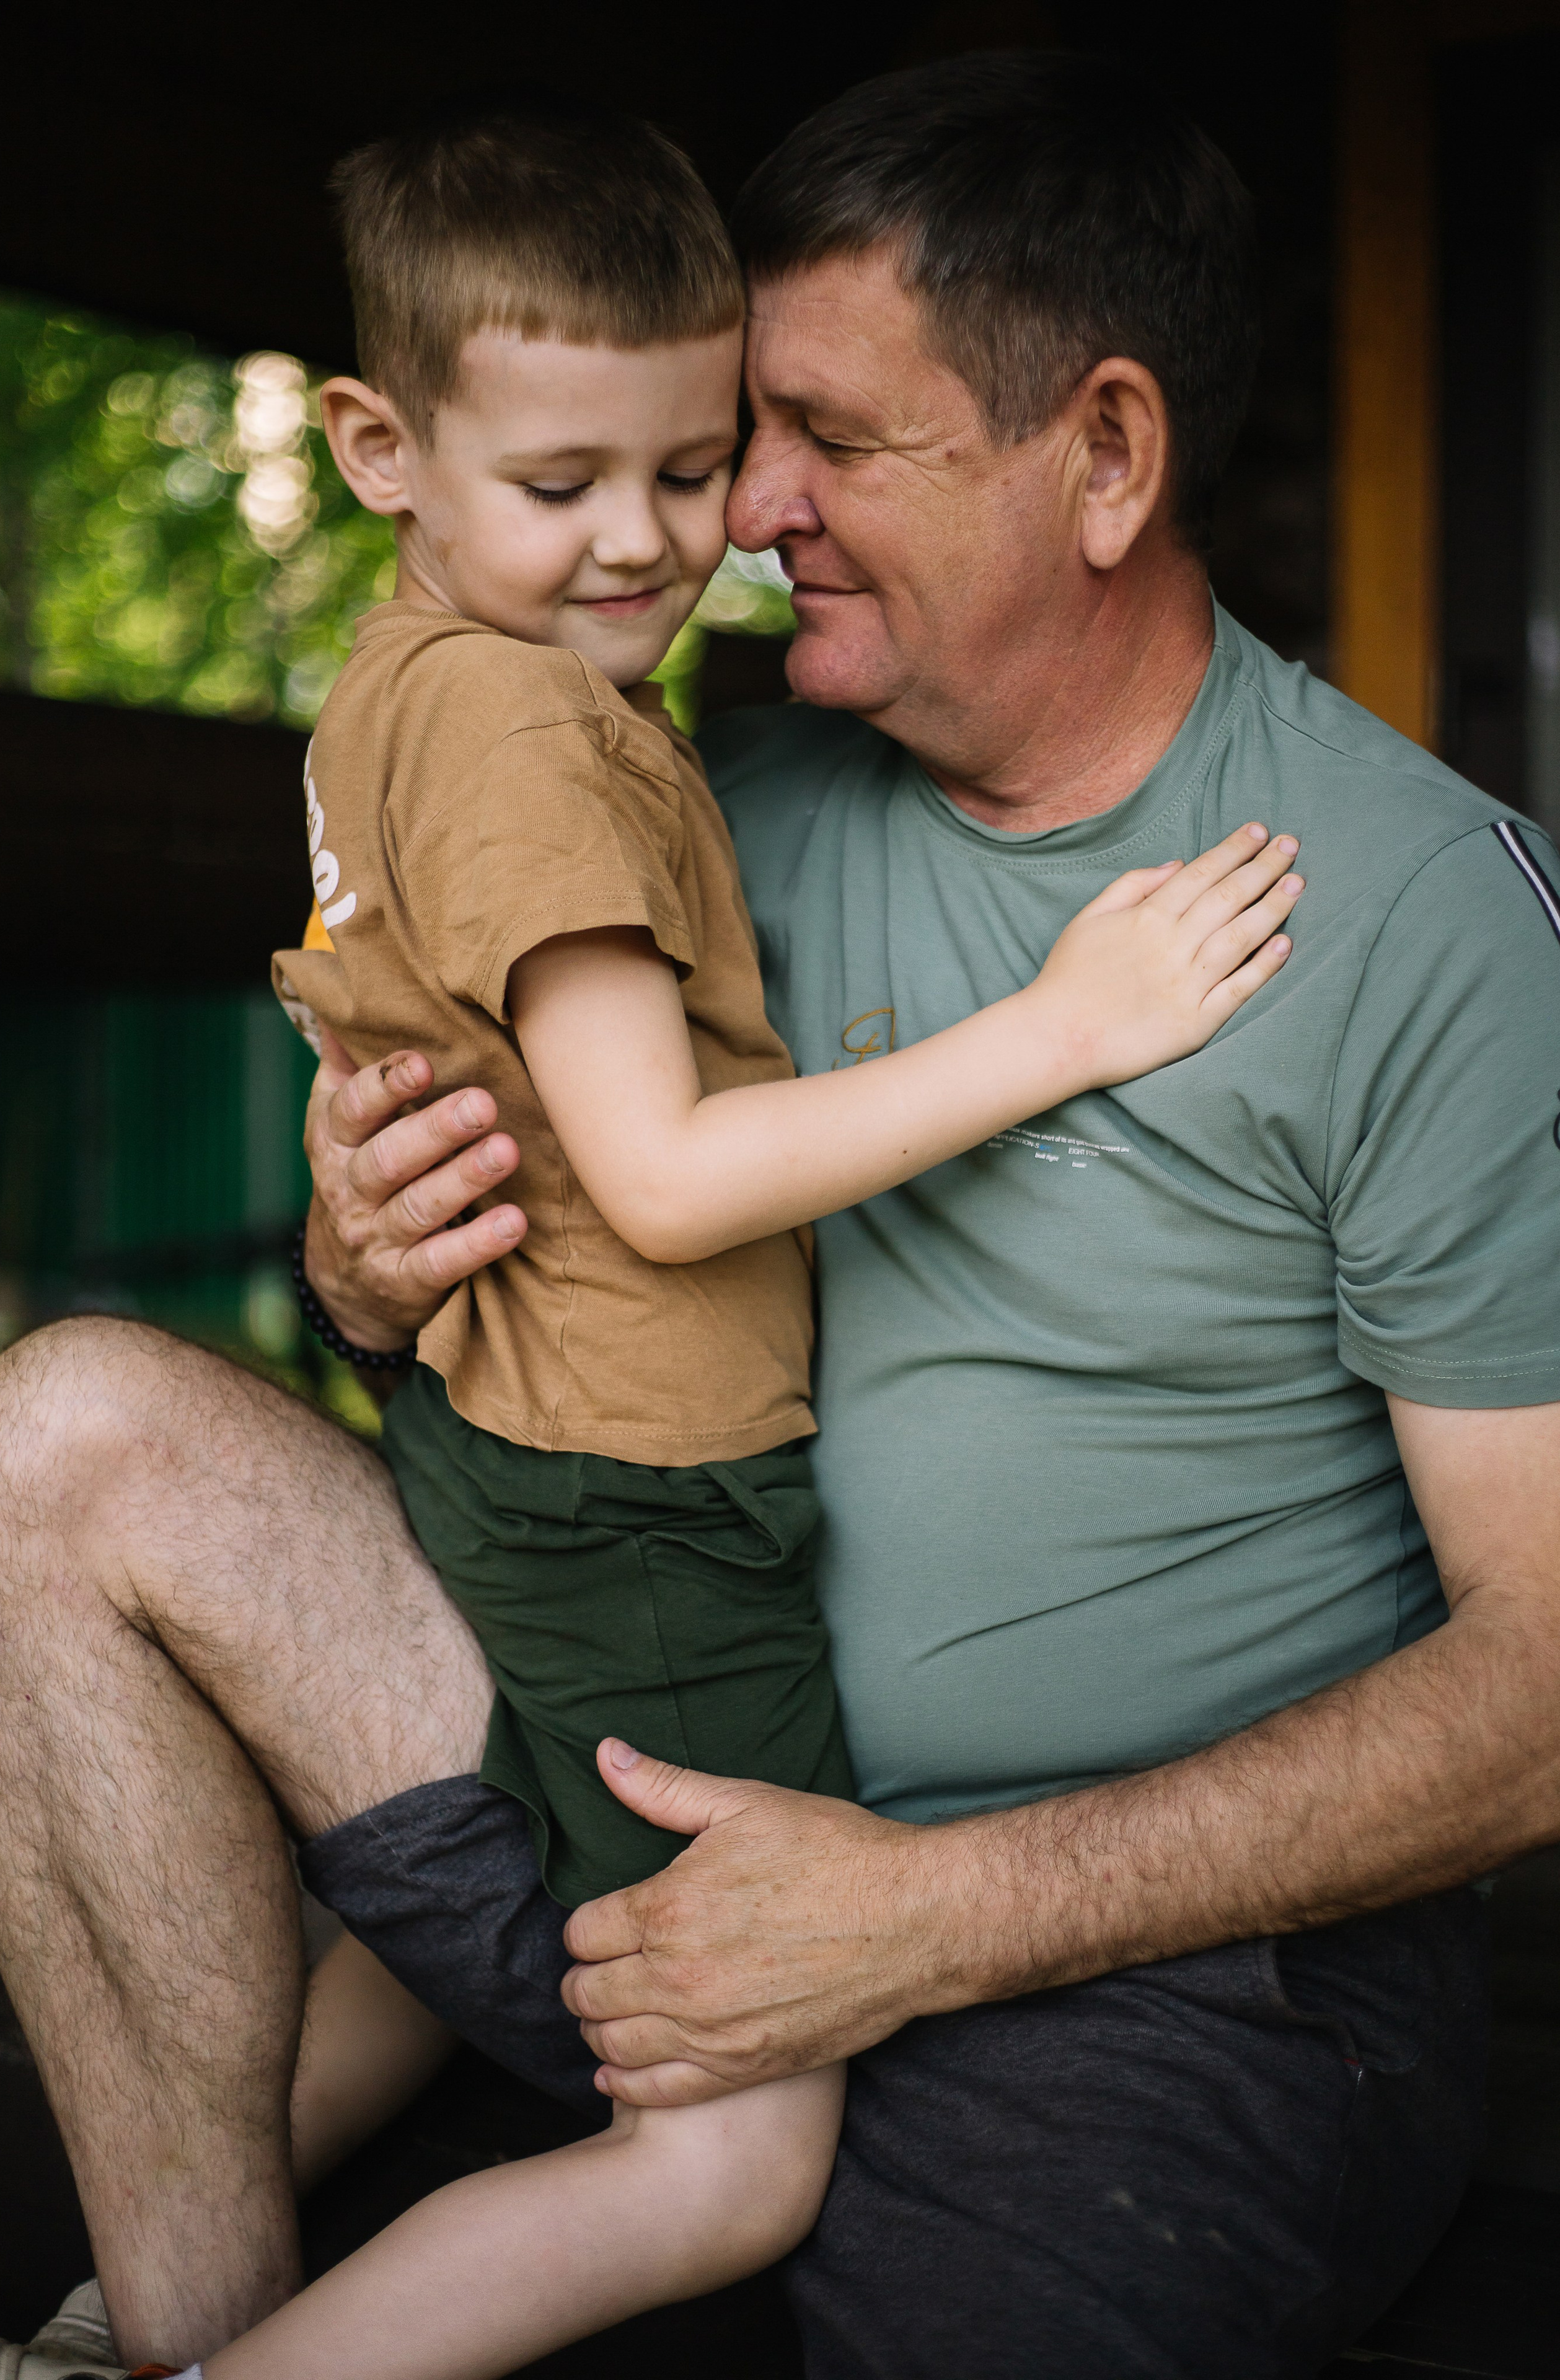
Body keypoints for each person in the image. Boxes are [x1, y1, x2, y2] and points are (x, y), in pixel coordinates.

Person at [0, 46, 1558, 2380]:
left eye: (828, 441)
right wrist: (375, 1267)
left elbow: (1544, 1692)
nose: (739, 517)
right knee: (53, 1440)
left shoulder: (1430, 917)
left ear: (1105, 454)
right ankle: (165, 2335)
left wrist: (927, 1917)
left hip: (1149, 1984)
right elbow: (568, 1250)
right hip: (645, 1764)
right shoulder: (714, 769)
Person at [217, 102, 1297, 2380]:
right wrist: (1066, 1027)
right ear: (381, 448)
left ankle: (119, 2289)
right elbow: (675, 1175)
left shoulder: (451, 684)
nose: (662, 541)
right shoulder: (532, 733)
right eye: (564, 485)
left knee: (422, 1976)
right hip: (645, 1514)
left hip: (538, 1454)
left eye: (699, 467)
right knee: (731, 2169)